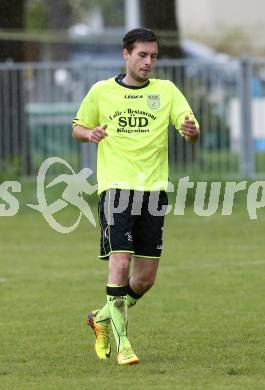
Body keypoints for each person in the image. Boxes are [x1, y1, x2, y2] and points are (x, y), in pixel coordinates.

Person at [72, 27, 200, 366]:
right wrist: (91, 133)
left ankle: (101, 318)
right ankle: (123, 343)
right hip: (116, 188)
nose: (148, 62)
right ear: (125, 54)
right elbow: (77, 127)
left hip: (154, 191)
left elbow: (191, 130)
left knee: (144, 279)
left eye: (154, 56)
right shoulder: (101, 92)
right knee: (121, 262)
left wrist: (191, 132)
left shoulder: (166, 91)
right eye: (142, 55)